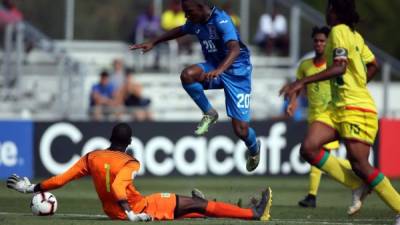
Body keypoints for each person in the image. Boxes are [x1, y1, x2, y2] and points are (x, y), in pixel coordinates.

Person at [280, 0, 400, 223]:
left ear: (333, 11)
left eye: (327, 8)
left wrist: (301, 83)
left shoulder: (339, 31)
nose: (326, 12)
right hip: (338, 108)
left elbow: (340, 67)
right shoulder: (354, 36)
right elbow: (374, 64)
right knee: (309, 148)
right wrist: (357, 83)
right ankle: (357, 185)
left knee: (360, 164)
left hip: (356, 108)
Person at [6, 123, 272, 222]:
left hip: (115, 213)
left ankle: (201, 214)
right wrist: (133, 214)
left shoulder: (92, 157)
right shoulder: (130, 162)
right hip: (138, 209)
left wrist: (30, 188)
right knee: (200, 204)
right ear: (129, 142)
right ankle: (253, 214)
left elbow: (60, 180)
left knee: (184, 206)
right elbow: (120, 187)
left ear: (110, 138)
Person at [130, 0, 262, 172]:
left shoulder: (222, 20)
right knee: (187, 75)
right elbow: (180, 30)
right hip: (213, 67)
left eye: (189, 11)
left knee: (241, 130)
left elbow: (235, 49)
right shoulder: (196, 21)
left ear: (201, 7)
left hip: (237, 74)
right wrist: (154, 42)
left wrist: (220, 69)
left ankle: (254, 149)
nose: (186, 16)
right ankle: (209, 112)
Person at [287, 26, 352, 208]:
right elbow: (297, 86)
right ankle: (363, 172)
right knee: (320, 157)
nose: (319, 44)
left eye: (323, 41)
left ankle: (312, 195)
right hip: (314, 116)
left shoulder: (335, 65)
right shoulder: (305, 65)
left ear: (328, 43)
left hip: (332, 116)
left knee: (318, 155)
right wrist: (293, 102)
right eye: (316, 40)